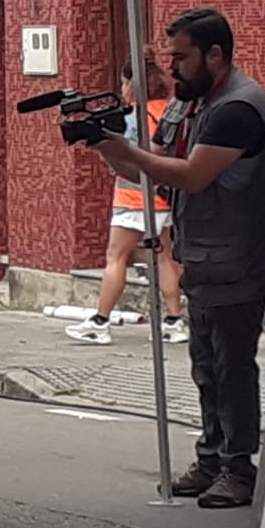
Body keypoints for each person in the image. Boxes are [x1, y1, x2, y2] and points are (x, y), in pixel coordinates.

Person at [94, 8, 265, 509]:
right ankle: (212, 458)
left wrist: (129, 154)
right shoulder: (190, 104)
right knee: (206, 364)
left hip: (238, 256)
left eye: (181, 58)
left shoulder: (238, 108)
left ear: (215, 55)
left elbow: (192, 175)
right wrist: (103, 144)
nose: (171, 69)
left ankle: (238, 466)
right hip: (202, 257)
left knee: (232, 366)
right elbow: (154, 167)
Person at [66, 57, 188, 346]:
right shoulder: (171, 111)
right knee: (164, 255)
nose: (121, 89)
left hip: (133, 198)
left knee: (116, 257)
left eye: (123, 83)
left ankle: (100, 321)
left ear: (132, 85)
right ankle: (174, 321)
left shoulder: (129, 117)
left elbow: (121, 160)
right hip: (167, 196)